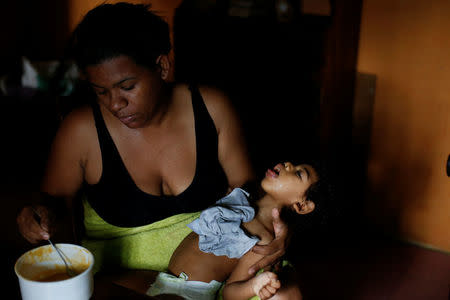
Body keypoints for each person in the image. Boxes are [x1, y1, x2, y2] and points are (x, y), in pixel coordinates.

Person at [16, 1, 289, 291]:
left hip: (215, 267)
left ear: (161, 66)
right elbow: (53, 205)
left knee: (284, 293)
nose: (115, 104)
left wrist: (283, 232)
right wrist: (38, 217)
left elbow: (249, 193)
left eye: (127, 86)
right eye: (101, 92)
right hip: (121, 281)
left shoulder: (212, 109)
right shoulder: (82, 130)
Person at [147, 161, 320, 300]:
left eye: (298, 173)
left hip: (190, 293)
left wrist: (253, 286)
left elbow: (230, 293)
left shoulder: (264, 241)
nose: (287, 164)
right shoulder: (241, 198)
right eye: (291, 164)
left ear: (302, 205)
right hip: (160, 282)